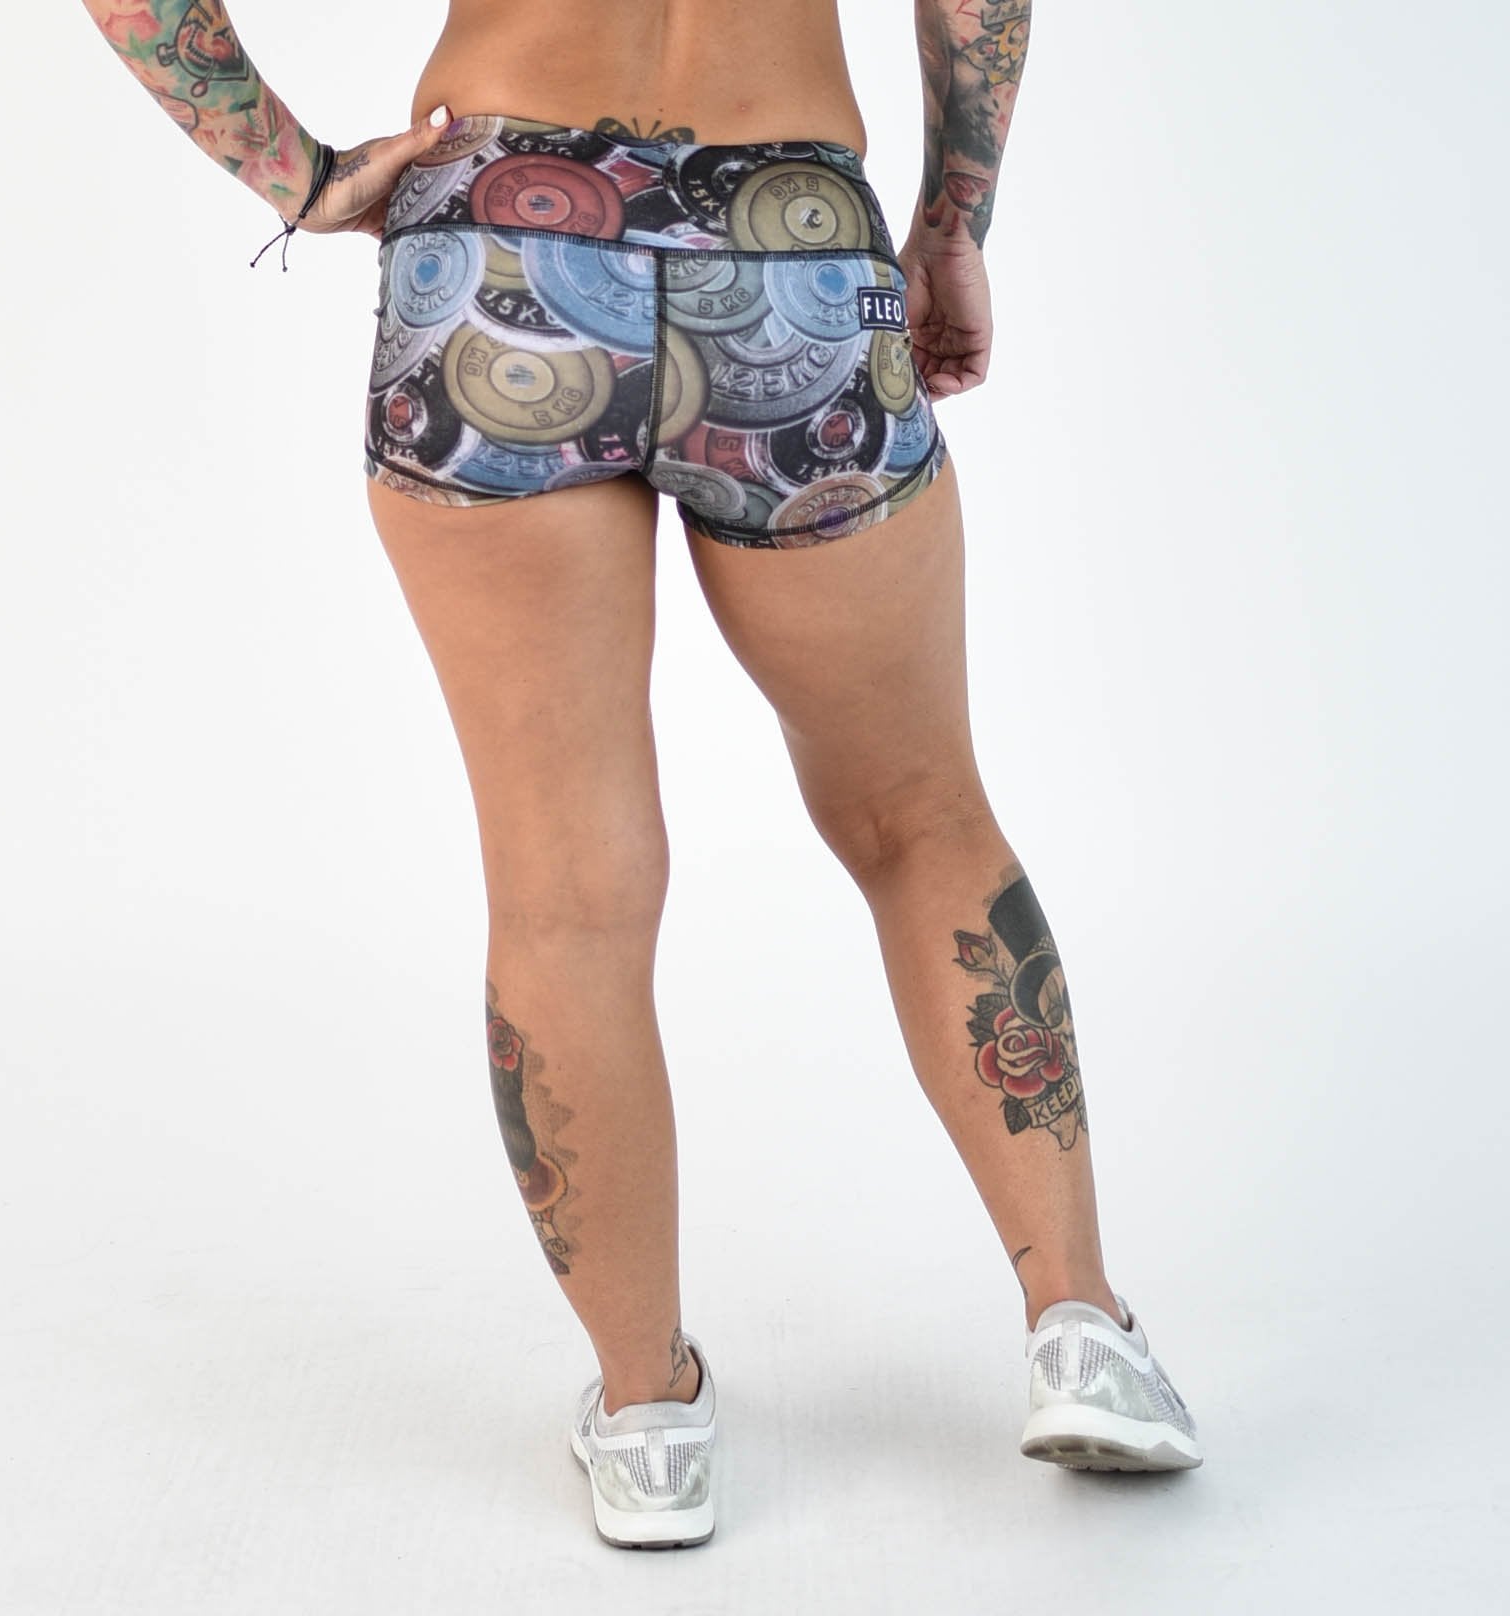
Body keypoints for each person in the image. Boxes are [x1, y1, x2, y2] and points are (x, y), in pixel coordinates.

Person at [80, 0, 1202, 1550]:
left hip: (498, 253)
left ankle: (649, 1416)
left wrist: (298, 171)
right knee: (920, 817)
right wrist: (952, 220)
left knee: (570, 887)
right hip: (791, 245)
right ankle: (1081, 1329)